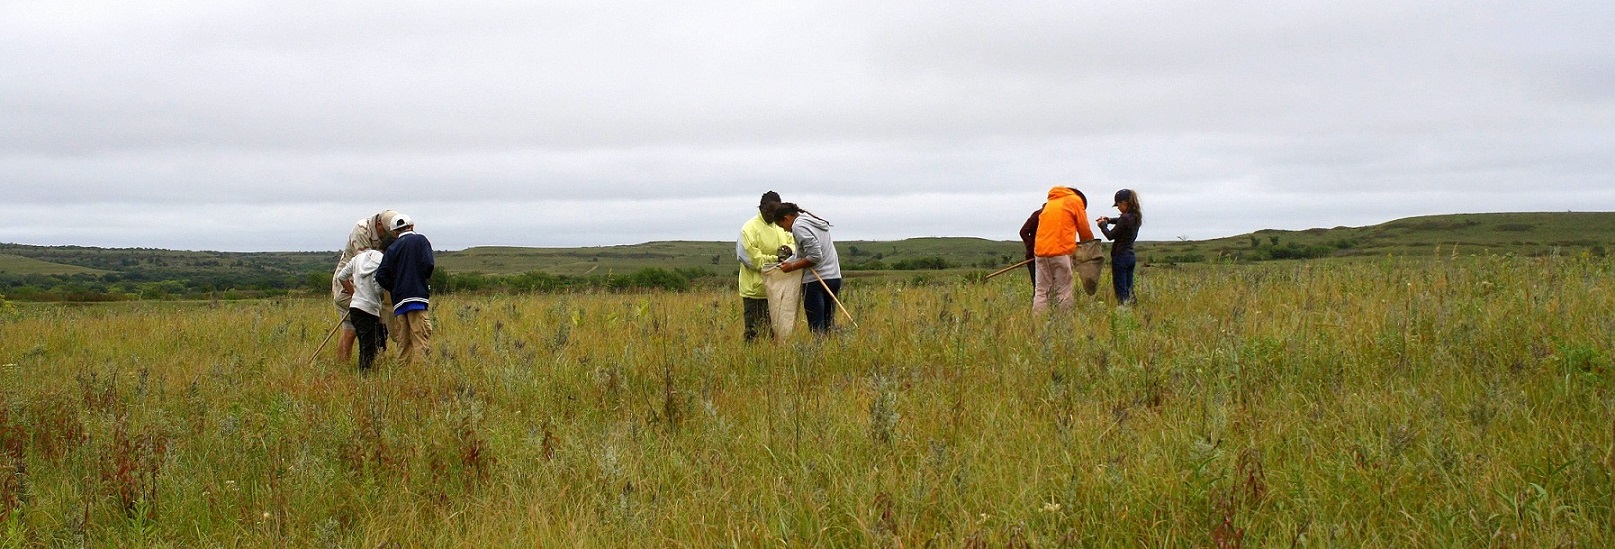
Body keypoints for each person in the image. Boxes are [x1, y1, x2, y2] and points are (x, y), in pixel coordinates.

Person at [331, 210, 401, 361]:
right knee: (352, 329)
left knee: (368, 325)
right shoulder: (361, 230)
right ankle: (356, 364)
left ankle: (374, 359)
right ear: (379, 224)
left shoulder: (386, 231)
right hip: (348, 286)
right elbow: (366, 266)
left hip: (364, 287)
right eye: (387, 232)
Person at [775, 203, 842, 335]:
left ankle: (818, 354)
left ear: (786, 218)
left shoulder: (798, 227)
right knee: (828, 326)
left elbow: (815, 256)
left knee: (817, 328)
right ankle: (830, 352)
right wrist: (785, 264)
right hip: (834, 277)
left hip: (816, 281)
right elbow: (801, 254)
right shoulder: (812, 221)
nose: (785, 230)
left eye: (782, 226)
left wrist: (792, 267)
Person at [376, 214, 434, 364]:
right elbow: (428, 264)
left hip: (399, 302)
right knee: (420, 338)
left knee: (403, 342)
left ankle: (403, 372)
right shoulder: (421, 240)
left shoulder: (392, 248)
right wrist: (421, 280)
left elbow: (381, 275)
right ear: (412, 226)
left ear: (395, 232)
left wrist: (395, 287)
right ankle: (421, 375)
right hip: (417, 298)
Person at [736, 192, 794, 342]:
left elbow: (793, 244)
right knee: (754, 333)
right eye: (768, 210)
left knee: (776, 334)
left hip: (778, 290)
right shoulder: (748, 229)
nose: (771, 214)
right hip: (756, 291)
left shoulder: (782, 226)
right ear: (761, 208)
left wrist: (789, 250)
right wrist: (778, 259)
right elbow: (752, 259)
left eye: (775, 211)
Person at [1032, 186, 1094, 313]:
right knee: (1064, 289)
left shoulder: (1051, 202)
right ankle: (1064, 322)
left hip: (1040, 252)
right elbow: (1084, 229)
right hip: (1060, 252)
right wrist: (1089, 245)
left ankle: (1038, 322)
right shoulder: (1075, 200)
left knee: (1042, 290)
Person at [335, 246, 385, 373]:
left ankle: (364, 373)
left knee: (365, 343)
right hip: (370, 309)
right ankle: (365, 376)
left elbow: (342, 276)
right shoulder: (382, 261)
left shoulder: (357, 258)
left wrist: (355, 293)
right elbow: (378, 287)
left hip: (355, 308)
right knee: (369, 348)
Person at [1097, 189, 1143, 305]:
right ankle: (1133, 309)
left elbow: (1110, 236)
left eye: (1118, 205)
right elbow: (1121, 221)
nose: (1118, 207)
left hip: (1120, 257)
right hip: (1130, 256)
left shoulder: (1124, 218)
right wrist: (1110, 220)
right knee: (1129, 288)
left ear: (1124, 203)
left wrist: (1102, 225)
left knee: (1120, 289)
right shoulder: (1136, 216)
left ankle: (1123, 311)